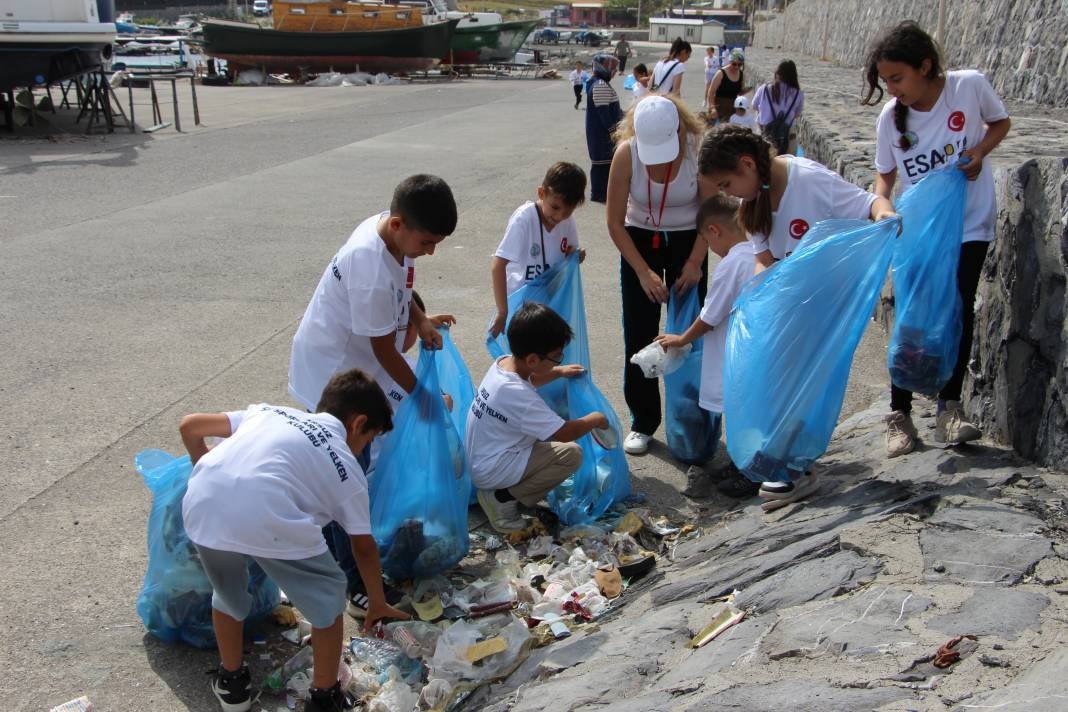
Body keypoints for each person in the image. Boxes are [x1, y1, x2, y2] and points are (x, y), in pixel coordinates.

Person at [180, 369, 409, 712]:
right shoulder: (346, 467)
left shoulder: (269, 411)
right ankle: (324, 696)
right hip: (270, 515)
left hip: (203, 504)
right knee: (329, 599)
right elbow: (363, 546)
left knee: (228, 595)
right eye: (370, 438)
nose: (365, 447)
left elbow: (190, 426)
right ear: (357, 423)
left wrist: (211, 475)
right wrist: (376, 601)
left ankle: (232, 684)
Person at [697, 124, 897, 505]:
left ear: (747, 164)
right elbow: (763, 257)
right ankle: (785, 461)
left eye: (726, 183)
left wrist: (886, 214)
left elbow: (867, 204)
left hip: (821, 304)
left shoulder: (808, 179)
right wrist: (755, 299)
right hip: (787, 305)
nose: (727, 194)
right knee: (770, 382)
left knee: (800, 386)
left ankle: (794, 469)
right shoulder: (755, 198)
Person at [288, 174, 456, 616]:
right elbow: (384, 347)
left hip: (356, 368)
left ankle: (339, 555)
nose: (431, 250)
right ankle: (355, 582)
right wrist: (425, 396)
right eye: (427, 241)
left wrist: (419, 318)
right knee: (346, 477)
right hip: (333, 378)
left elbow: (402, 288)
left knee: (346, 474)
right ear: (399, 223)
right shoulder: (368, 267)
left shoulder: (388, 232)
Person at [862, 21, 1011, 457]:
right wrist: (884, 205)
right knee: (912, 315)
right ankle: (900, 414)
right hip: (920, 231)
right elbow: (883, 177)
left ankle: (950, 408)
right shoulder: (890, 118)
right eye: (885, 80)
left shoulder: (968, 88)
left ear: (924, 66)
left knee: (956, 307)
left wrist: (980, 153)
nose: (891, 89)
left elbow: (1000, 123)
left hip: (969, 225)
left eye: (897, 78)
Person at [606, 94, 710, 455]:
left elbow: (711, 214)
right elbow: (614, 223)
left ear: (679, 128)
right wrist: (643, 271)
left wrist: (696, 261)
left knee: (691, 333)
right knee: (639, 333)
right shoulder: (627, 153)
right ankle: (643, 421)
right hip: (639, 243)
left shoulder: (698, 150)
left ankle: (693, 418)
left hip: (690, 242)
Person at [465, 302, 608, 532]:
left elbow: (533, 378)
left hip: (483, 459)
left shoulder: (503, 364)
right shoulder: (519, 396)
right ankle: (501, 499)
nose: (559, 360)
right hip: (492, 469)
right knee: (571, 455)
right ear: (532, 360)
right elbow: (564, 433)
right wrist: (596, 418)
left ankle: (503, 491)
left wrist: (559, 371)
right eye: (556, 357)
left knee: (543, 438)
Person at [653, 195, 758, 498]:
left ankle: (748, 471)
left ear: (714, 231)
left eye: (706, 241)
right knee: (747, 409)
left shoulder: (732, 263)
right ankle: (741, 464)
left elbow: (710, 316)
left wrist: (681, 338)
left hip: (734, 351)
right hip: (751, 348)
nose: (710, 249)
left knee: (739, 413)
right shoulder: (756, 252)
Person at [491, 162, 588, 337]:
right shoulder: (524, 219)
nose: (559, 217)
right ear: (542, 193)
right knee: (525, 359)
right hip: (521, 309)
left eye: (567, 212)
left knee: (546, 358)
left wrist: (576, 255)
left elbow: (569, 252)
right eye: (555, 208)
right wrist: (502, 312)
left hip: (551, 304)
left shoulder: (567, 221)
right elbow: (498, 264)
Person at [585, 53, 624, 203]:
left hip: (600, 134)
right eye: (611, 68)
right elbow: (603, 113)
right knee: (602, 164)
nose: (613, 71)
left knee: (603, 164)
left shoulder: (596, 83)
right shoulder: (600, 85)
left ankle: (600, 193)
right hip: (601, 135)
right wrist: (612, 131)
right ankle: (599, 194)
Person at [752, 59, 804, 154]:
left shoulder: (764, 89)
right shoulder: (798, 94)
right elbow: (797, 114)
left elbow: (754, 106)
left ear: (777, 73)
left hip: (764, 134)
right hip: (787, 136)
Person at [706, 49, 747, 124]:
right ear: (730, 61)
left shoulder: (741, 75)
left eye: (740, 65)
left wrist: (748, 89)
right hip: (719, 109)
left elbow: (739, 93)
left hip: (733, 111)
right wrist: (712, 108)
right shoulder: (721, 73)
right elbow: (711, 92)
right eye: (734, 64)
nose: (737, 67)